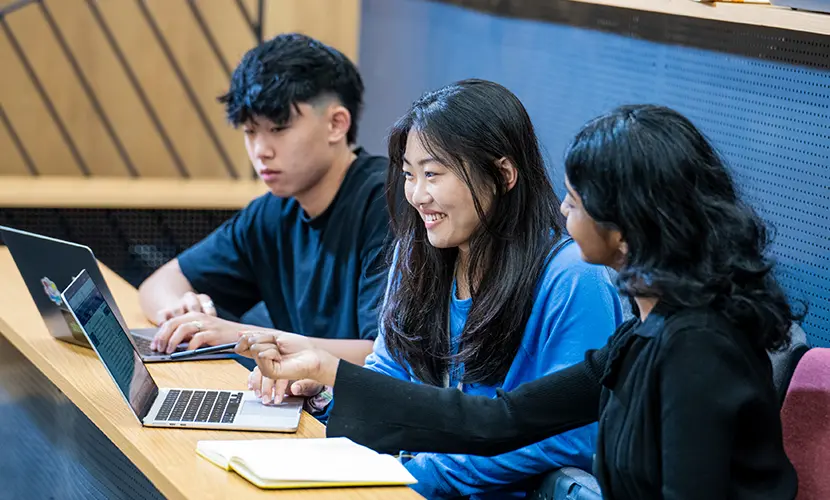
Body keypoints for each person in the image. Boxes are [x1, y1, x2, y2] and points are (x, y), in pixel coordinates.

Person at [238, 105, 801, 499]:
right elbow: (498, 420)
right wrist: (333, 375)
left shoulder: (697, 351)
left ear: (629, 227)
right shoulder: (646, 335)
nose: (561, 212)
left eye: (576, 200)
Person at [247, 79, 623, 499]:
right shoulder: (417, 256)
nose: (417, 195)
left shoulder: (572, 276)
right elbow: (390, 374)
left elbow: (568, 438)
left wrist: (412, 476)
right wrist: (325, 395)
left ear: (502, 174)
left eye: (433, 174)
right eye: (409, 175)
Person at [138, 34, 389, 367]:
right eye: (250, 131)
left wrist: (242, 336)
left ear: (336, 124)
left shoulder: (389, 203)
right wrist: (183, 311)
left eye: (279, 129)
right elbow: (157, 284)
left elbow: (384, 360)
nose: (260, 151)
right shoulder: (272, 211)